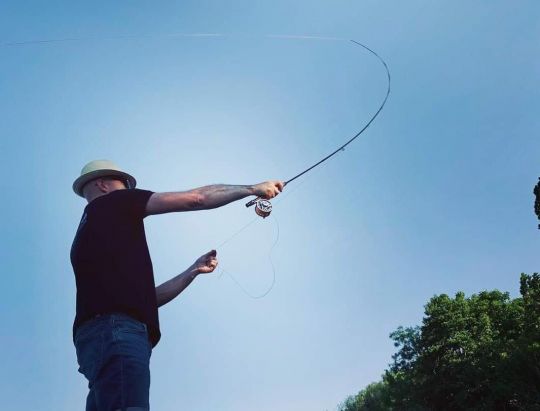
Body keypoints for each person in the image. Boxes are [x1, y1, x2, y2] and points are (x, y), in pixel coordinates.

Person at [71, 159, 284, 411]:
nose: (129, 190)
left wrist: (192, 271)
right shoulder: (115, 202)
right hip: (119, 334)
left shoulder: (84, 236)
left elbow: (146, 300)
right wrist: (253, 189)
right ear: (103, 185)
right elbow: (197, 198)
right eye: (124, 184)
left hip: (95, 343)